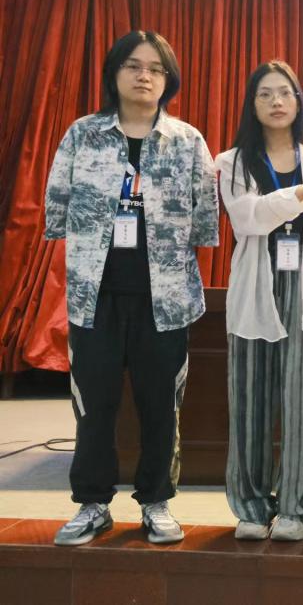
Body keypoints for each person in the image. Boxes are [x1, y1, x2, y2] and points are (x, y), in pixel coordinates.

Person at [44, 31, 219, 546]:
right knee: (93, 407)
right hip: (94, 297)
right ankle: (93, 504)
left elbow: (205, 217)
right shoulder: (83, 134)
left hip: (165, 299)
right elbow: (57, 203)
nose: (145, 76)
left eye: (156, 69)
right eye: (134, 66)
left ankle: (156, 502)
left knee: (161, 407)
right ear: (114, 73)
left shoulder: (187, 141)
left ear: (168, 80)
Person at [216, 62, 303, 541]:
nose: (276, 102)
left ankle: (294, 505)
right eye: (265, 94)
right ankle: (251, 506)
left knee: (300, 401)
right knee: (249, 400)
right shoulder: (232, 161)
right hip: (256, 287)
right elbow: (248, 219)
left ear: (298, 102)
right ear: (251, 105)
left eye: (285, 93)